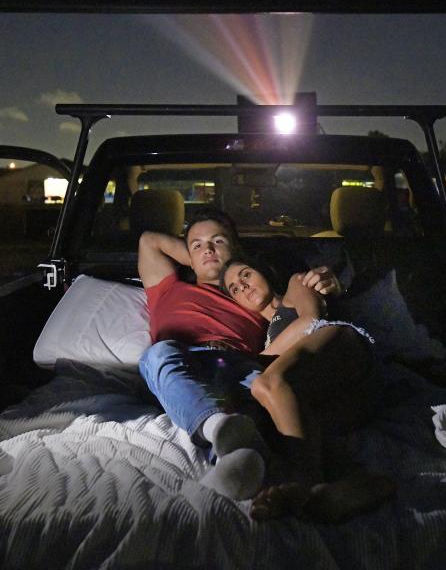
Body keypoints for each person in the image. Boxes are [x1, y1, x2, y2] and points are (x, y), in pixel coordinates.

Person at [137, 208, 340, 501]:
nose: (207, 249)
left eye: (218, 241)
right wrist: (201, 256)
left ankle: (241, 462)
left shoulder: (249, 295)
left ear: (235, 248)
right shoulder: (168, 288)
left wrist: (324, 284)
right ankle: (220, 428)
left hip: (237, 363)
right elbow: (148, 241)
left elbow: (299, 312)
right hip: (180, 360)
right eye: (197, 244)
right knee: (156, 356)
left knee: (280, 406)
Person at [219, 257, 395, 521]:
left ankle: (304, 483)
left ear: (264, 272)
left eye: (246, 275)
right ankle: (356, 484)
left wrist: (254, 360)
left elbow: (311, 320)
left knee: (267, 384)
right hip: (350, 399)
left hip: (341, 348)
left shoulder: (294, 285)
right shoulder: (266, 336)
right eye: (234, 288)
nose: (242, 286)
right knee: (287, 423)